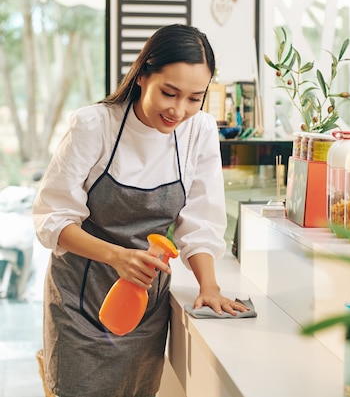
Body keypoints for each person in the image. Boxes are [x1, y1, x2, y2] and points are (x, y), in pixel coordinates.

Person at [32, 23, 249, 397]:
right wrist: (118, 256)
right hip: (80, 302)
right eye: (169, 92)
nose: (179, 110)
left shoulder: (200, 131)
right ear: (143, 74)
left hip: (146, 305)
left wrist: (209, 286)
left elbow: (199, 222)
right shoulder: (94, 125)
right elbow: (52, 219)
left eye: (195, 98)